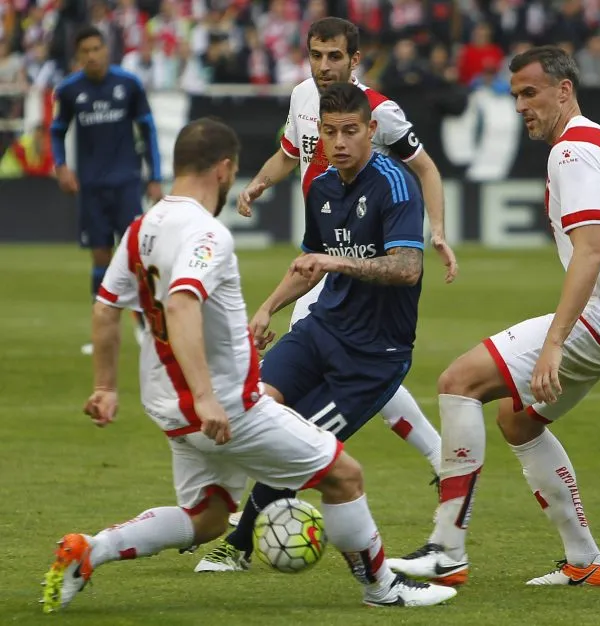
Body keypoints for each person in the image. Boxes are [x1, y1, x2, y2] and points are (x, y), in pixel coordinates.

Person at [40, 117, 457, 613]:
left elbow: (106, 307)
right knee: (344, 475)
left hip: (172, 412)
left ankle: (91, 550)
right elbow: (181, 304)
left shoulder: (141, 229)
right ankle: (382, 589)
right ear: (224, 169)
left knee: (209, 518)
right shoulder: (206, 235)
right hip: (226, 409)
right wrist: (208, 395)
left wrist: (106, 386)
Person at [387, 46, 600, 587]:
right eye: (514, 96)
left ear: (564, 89)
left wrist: (555, 342)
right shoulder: (599, 138)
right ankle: (587, 561)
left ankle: (447, 550)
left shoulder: (572, 154)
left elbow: (590, 251)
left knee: (458, 382)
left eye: (530, 93)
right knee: (518, 419)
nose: (520, 106)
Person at [196, 82, 434, 573]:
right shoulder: (322, 186)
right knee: (253, 406)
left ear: (371, 130)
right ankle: (206, 518)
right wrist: (266, 309)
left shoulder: (394, 184)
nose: (340, 142)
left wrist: (339, 263)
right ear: (318, 134)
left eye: (351, 131)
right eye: (330, 132)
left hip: (373, 355)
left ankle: (239, 544)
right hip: (323, 328)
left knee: (301, 444)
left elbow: (407, 267)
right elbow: (310, 263)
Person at [239, 16, 448, 491]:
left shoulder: (379, 110)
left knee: (332, 369)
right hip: (323, 246)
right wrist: (257, 184)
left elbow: (426, 168)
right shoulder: (300, 99)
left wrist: (437, 231)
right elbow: (289, 154)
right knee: (346, 370)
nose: (324, 66)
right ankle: (437, 454)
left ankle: (261, 496)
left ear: (355, 60)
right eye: (316, 55)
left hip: (361, 253)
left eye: (335, 56)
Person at [50, 25, 163, 356]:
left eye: (97, 48)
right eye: (85, 51)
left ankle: (145, 327)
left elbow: (149, 130)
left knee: (137, 259)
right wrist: (61, 166)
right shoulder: (70, 91)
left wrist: (154, 175)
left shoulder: (127, 84)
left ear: (106, 50)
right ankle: (102, 332)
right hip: (91, 187)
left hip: (126, 183)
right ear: (78, 55)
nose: (92, 55)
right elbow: (57, 131)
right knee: (100, 258)